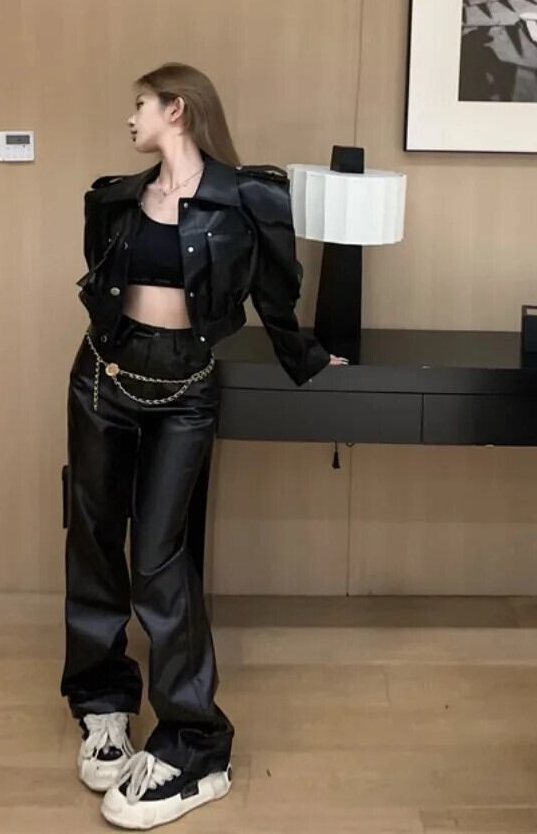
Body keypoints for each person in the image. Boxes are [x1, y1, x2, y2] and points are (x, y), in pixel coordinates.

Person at [60, 62, 349, 830]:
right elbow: (102, 290)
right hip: (101, 381)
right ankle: (102, 702)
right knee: (93, 536)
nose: (131, 119)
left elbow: (276, 295)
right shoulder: (115, 199)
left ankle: (195, 744)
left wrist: (306, 357)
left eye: (141, 105)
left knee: (161, 558)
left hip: (185, 392)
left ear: (178, 110)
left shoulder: (249, 199)